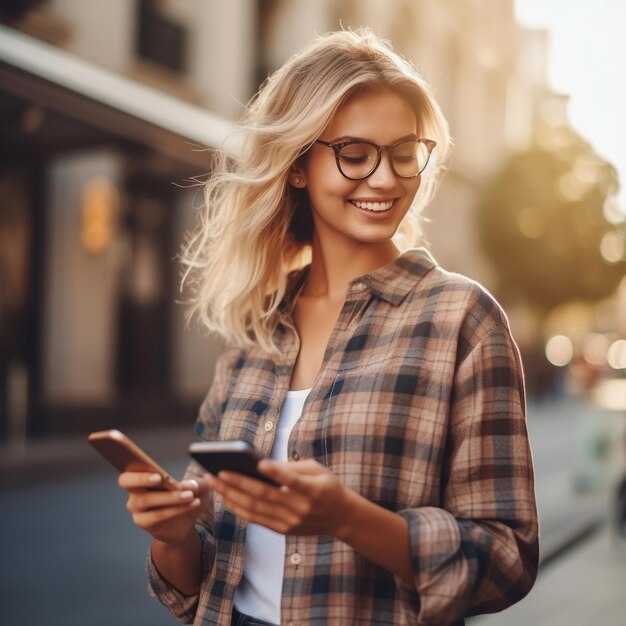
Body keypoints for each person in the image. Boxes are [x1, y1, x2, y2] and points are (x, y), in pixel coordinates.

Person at [118, 28, 539, 626]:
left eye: (403, 152)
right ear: (296, 166)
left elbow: (509, 556)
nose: (387, 179)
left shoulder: (462, 321)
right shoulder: (256, 330)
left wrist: (350, 518)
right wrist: (175, 535)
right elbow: (201, 578)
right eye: (355, 153)